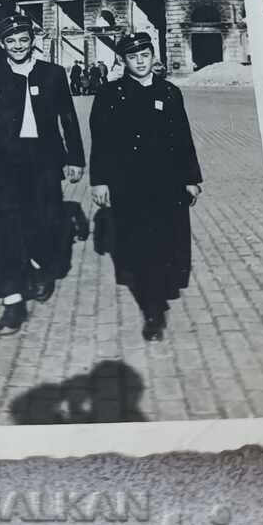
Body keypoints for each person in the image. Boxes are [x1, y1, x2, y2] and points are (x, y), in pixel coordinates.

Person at [0, 14, 85, 336]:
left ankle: (40, 269)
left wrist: (75, 158)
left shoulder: (53, 73)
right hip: (4, 163)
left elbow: (68, 119)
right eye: (11, 41)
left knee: (44, 221)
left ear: (32, 40)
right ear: (3, 44)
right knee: (6, 229)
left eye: (23, 39)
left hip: (45, 161)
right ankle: (12, 300)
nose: (18, 46)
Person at [89, 32, 202, 341]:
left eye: (144, 55)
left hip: (168, 183)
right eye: (132, 57)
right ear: (123, 61)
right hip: (129, 184)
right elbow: (100, 142)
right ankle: (152, 311)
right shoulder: (110, 94)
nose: (139, 62)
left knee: (168, 241)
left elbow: (183, 138)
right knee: (139, 244)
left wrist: (192, 179)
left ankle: (161, 289)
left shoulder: (170, 92)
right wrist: (99, 180)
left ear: (153, 57)